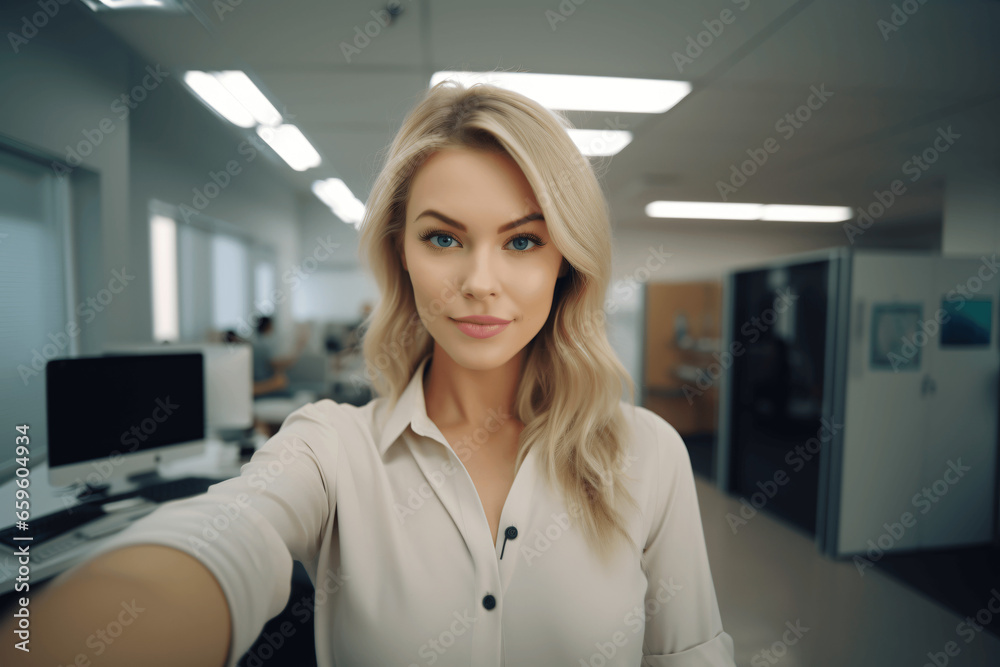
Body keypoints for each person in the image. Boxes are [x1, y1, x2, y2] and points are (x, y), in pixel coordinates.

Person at [0, 79, 736, 666]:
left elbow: (689, 655)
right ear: (401, 254)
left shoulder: (646, 455)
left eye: (522, 242)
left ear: (566, 261)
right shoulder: (331, 447)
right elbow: (228, 534)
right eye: (444, 236)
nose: (481, 281)